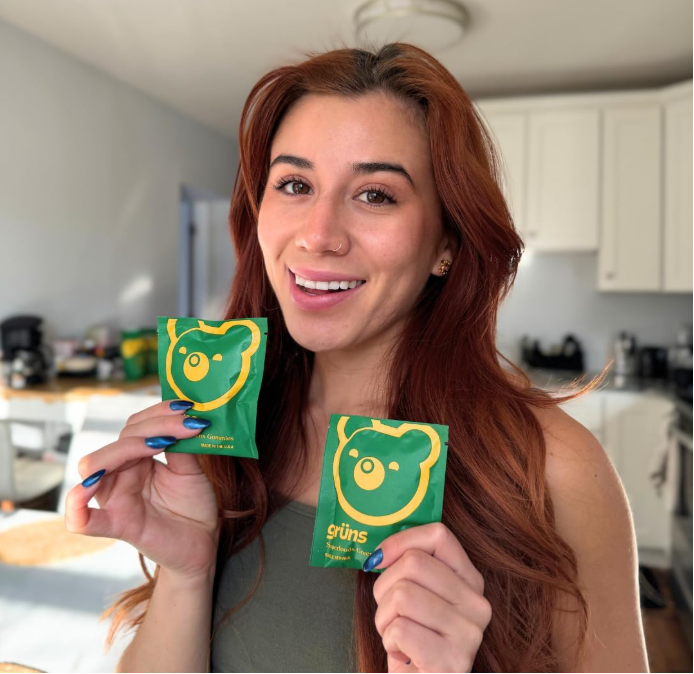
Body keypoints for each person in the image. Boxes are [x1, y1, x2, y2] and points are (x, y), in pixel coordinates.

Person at [65, 42, 648, 672]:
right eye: (294, 184)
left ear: (446, 243)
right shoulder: (222, 435)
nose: (318, 235)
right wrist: (186, 572)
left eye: (375, 195)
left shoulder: (553, 471)